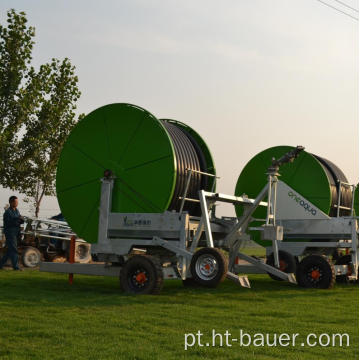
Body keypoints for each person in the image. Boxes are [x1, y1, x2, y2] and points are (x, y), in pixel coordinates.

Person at [0, 196, 24, 270]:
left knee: (10, 250)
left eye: (17, 202)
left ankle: (0, 265)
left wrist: (21, 220)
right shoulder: (7, 212)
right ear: (11, 202)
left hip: (16, 232)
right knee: (14, 249)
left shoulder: (17, 211)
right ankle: (16, 267)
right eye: (15, 202)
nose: (17, 203)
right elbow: (9, 223)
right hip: (10, 233)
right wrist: (17, 219)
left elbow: (19, 221)